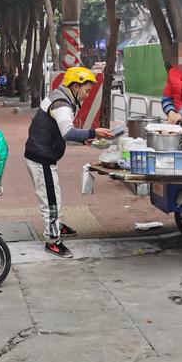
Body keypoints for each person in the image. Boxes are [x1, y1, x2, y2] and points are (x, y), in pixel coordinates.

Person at [24, 67, 113, 258]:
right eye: (86, 90)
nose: (88, 95)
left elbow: (62, 131)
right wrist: (93, 132)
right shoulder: (62, 104)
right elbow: (68, 133)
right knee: (50, 201)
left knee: (54, 194)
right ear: (75, 86)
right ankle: (53, 240)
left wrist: (85, 139)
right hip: (41, 159)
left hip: (41, 155)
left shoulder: (59, 96)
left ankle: (57, 225)